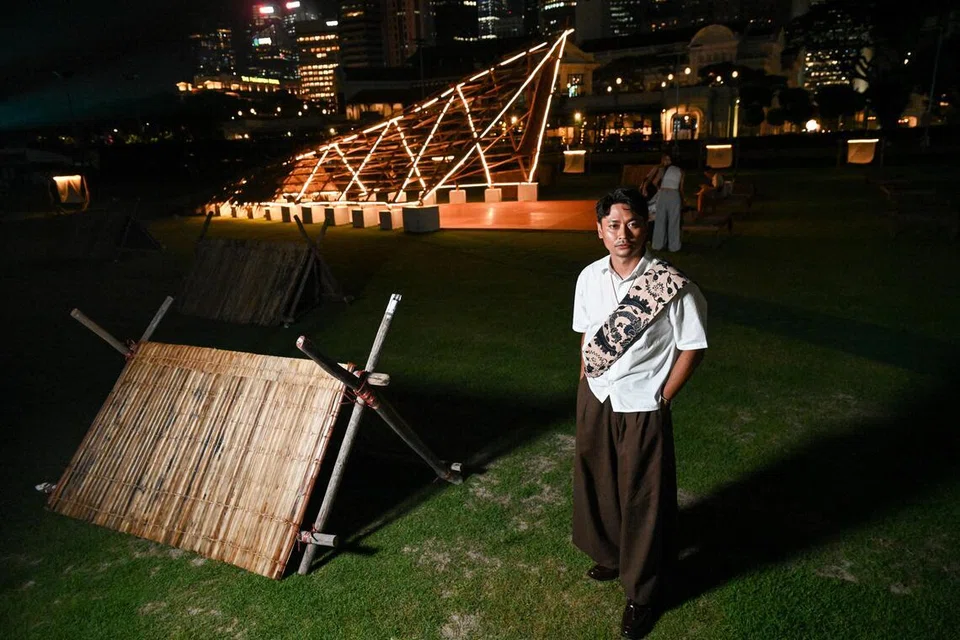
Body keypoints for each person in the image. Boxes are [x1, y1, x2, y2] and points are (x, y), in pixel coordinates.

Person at [572, 187, 708, 639]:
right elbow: (588, 334)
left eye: (632, 224)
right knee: (599, 480)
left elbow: (692, 346)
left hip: (643, 403)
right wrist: (585, 382)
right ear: (599, 231)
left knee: (642, 496)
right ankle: (612, 555)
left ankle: (642, 592)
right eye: (613, 225)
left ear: (645, 226)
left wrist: (664, 396)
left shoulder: (672, 284)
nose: (623, 233)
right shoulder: (589, 277)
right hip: (598, 396)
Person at [651, 154, 685, 253]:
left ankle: (658, 245)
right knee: (674, 220)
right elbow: (681, 188)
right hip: (674, 194)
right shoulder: (680, 171)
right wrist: (683, 200)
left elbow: (655, 182)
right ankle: (674, 246)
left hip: (663, 193)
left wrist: (660, 189)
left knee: (660, 219)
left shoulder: (663, 170)